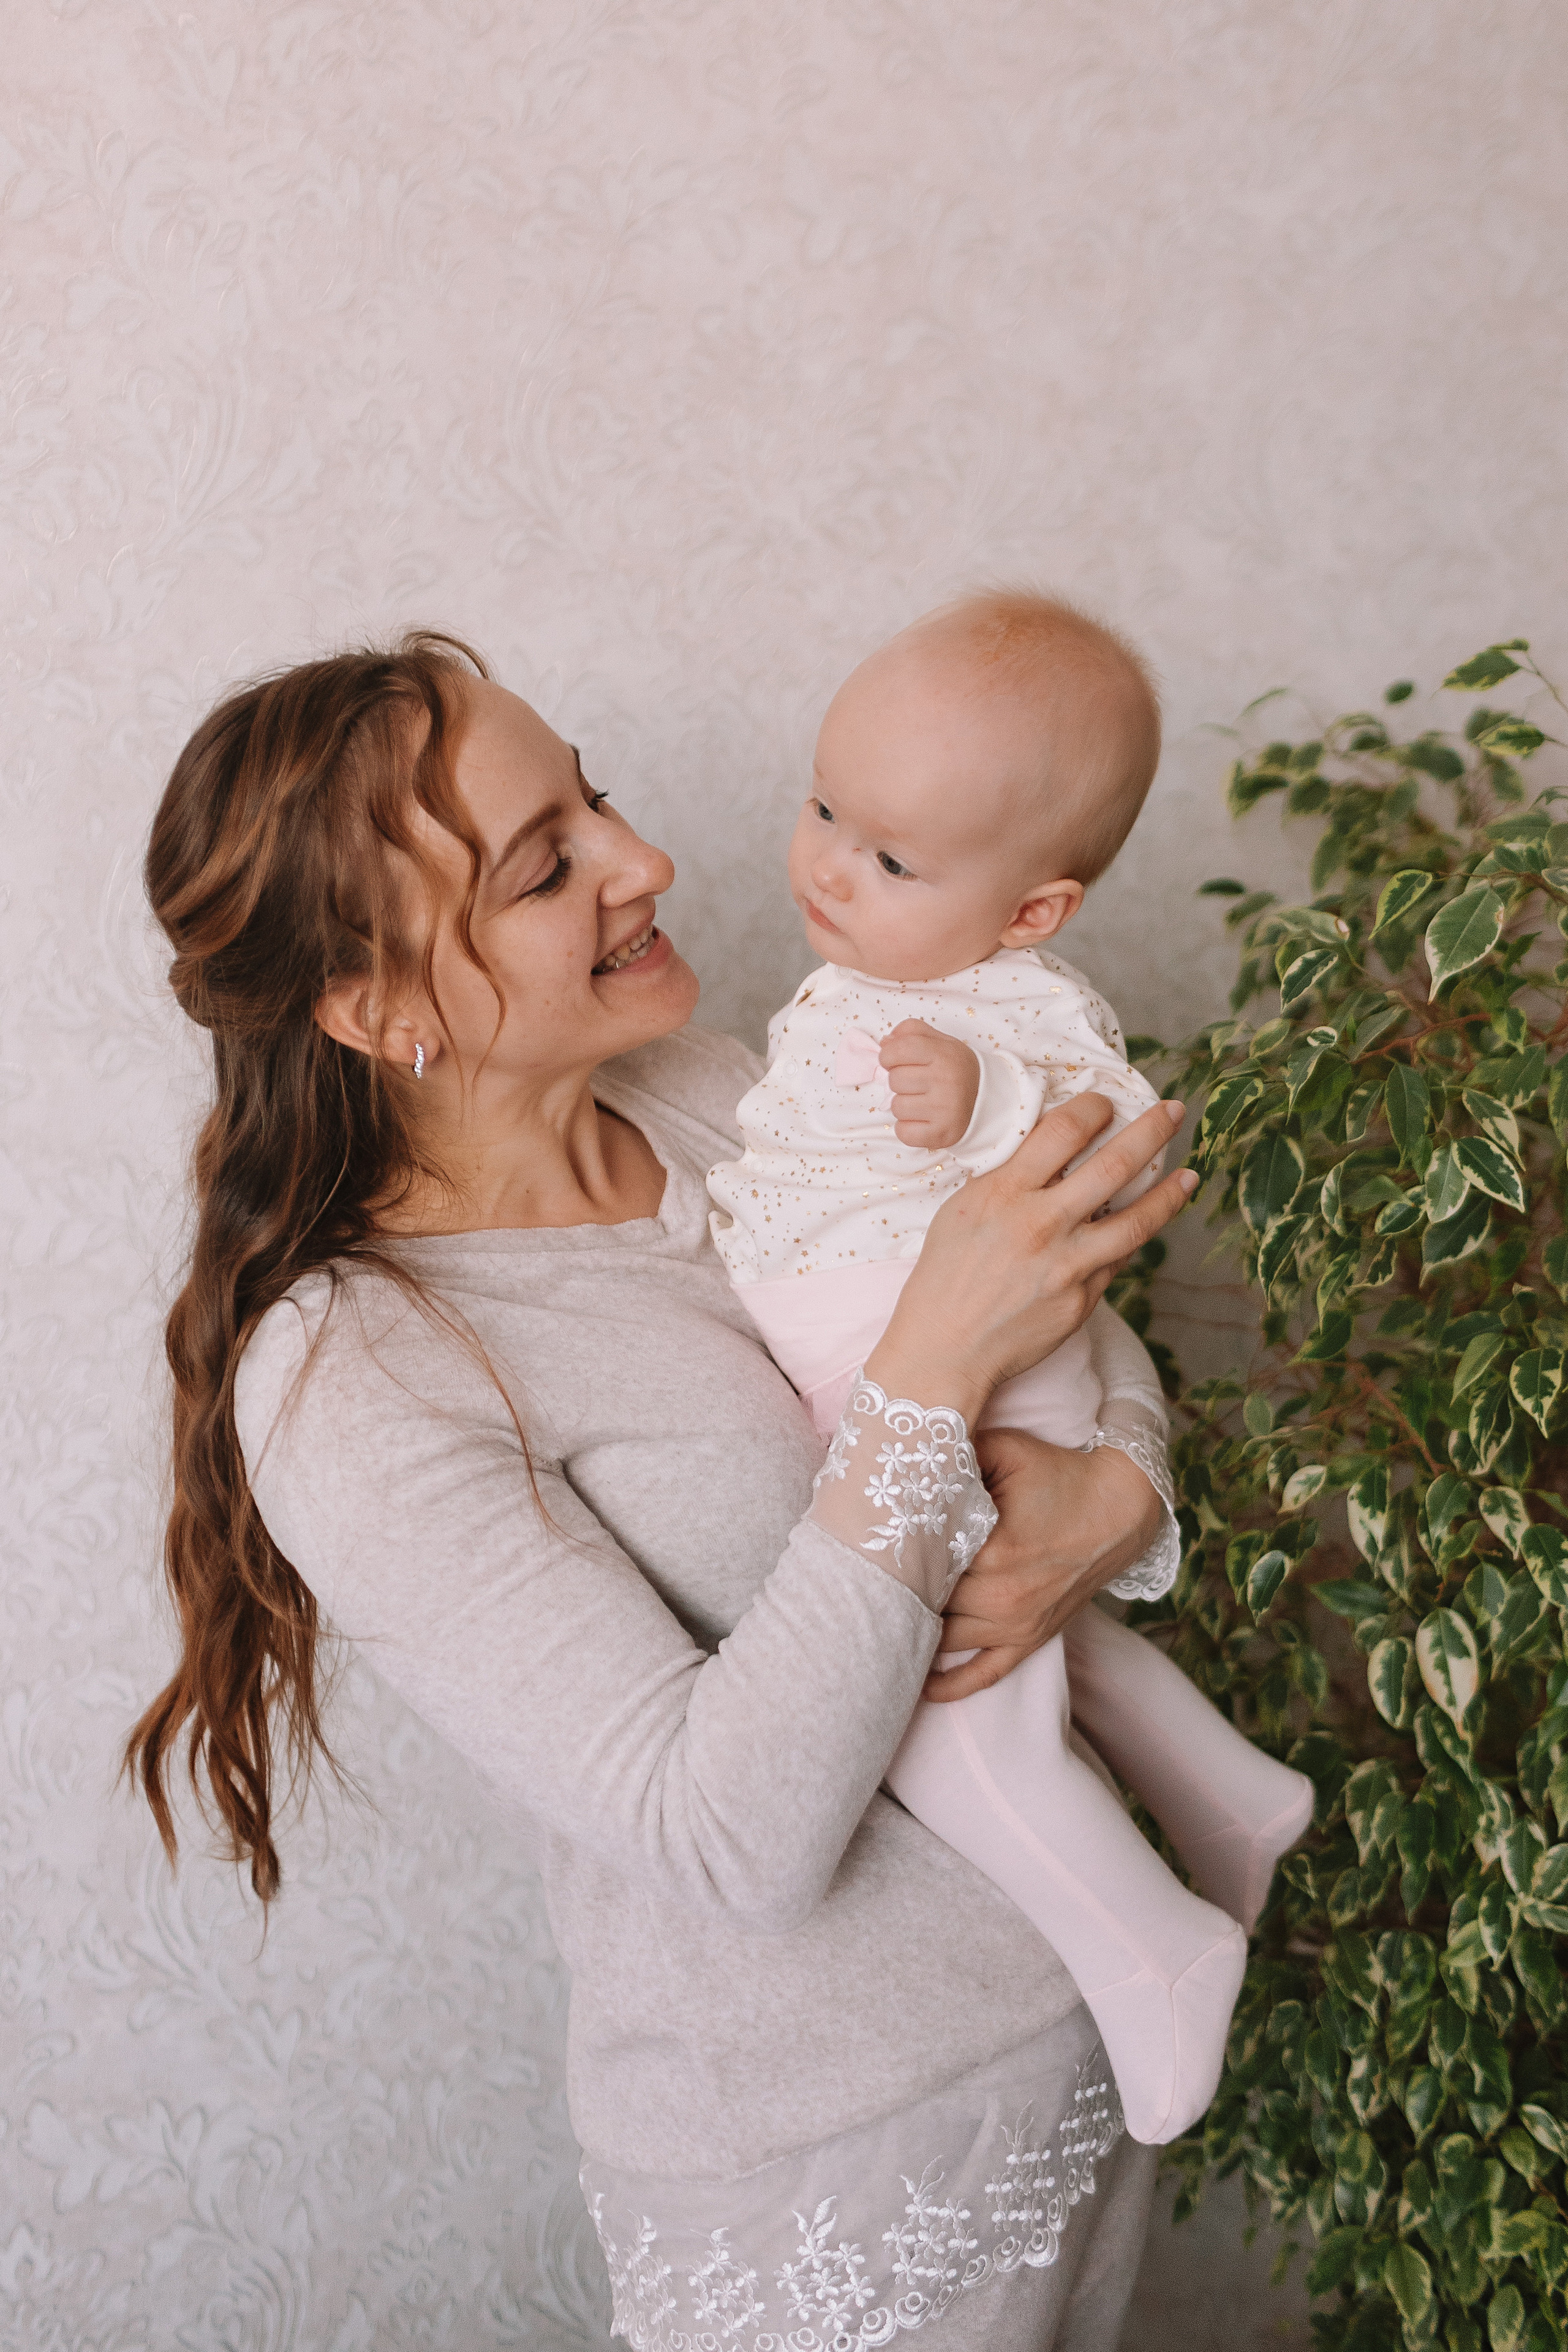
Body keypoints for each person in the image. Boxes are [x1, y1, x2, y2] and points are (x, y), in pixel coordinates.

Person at [126, 631, 1197, 2352]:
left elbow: (1043, 1316)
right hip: (834, 2159)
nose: (648, 862)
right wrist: (930, 1369)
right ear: (383, 1013)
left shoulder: (714, 1097)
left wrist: (1118, 1492)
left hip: (1076, 2039)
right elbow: (729, 1839)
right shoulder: (358, 1372)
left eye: (596, 799)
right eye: (546, 867)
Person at [708, 592, 1313, 2146]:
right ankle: (1228, 1792)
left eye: (891, 859)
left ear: (1031, 913)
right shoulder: (862, 980)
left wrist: (977, 1096)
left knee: (941, 1695)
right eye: (823, 809)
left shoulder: (1001, 1008)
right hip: (896, 1370)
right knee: (1027, 1635)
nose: (828, 865)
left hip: (974, 1373)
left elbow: (1101, 1121)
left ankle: (1155, 1950)